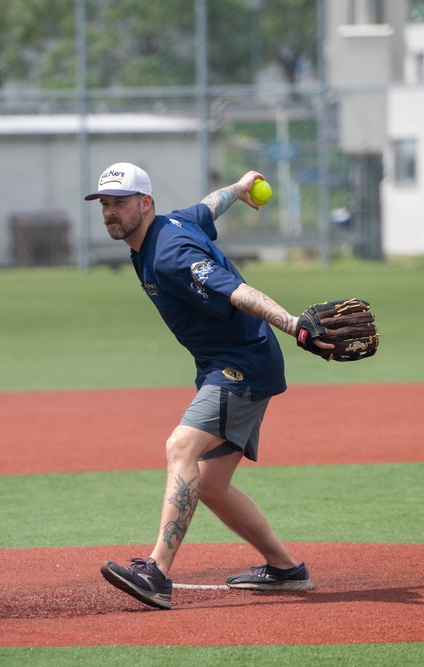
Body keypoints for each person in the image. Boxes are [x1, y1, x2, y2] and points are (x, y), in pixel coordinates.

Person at [88, 162, 319, 610]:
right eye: (105, 204)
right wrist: (239, 187)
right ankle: (285, 570)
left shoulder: (169, 251)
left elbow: (237, 292)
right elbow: (207, 208)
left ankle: (155, 572)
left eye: (120, 203)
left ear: (145, 204)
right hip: (230, 361)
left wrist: (295, 325)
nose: (111, 212)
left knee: (181, 448)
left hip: (242, 364)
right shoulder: (170, 224)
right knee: (210, 485)